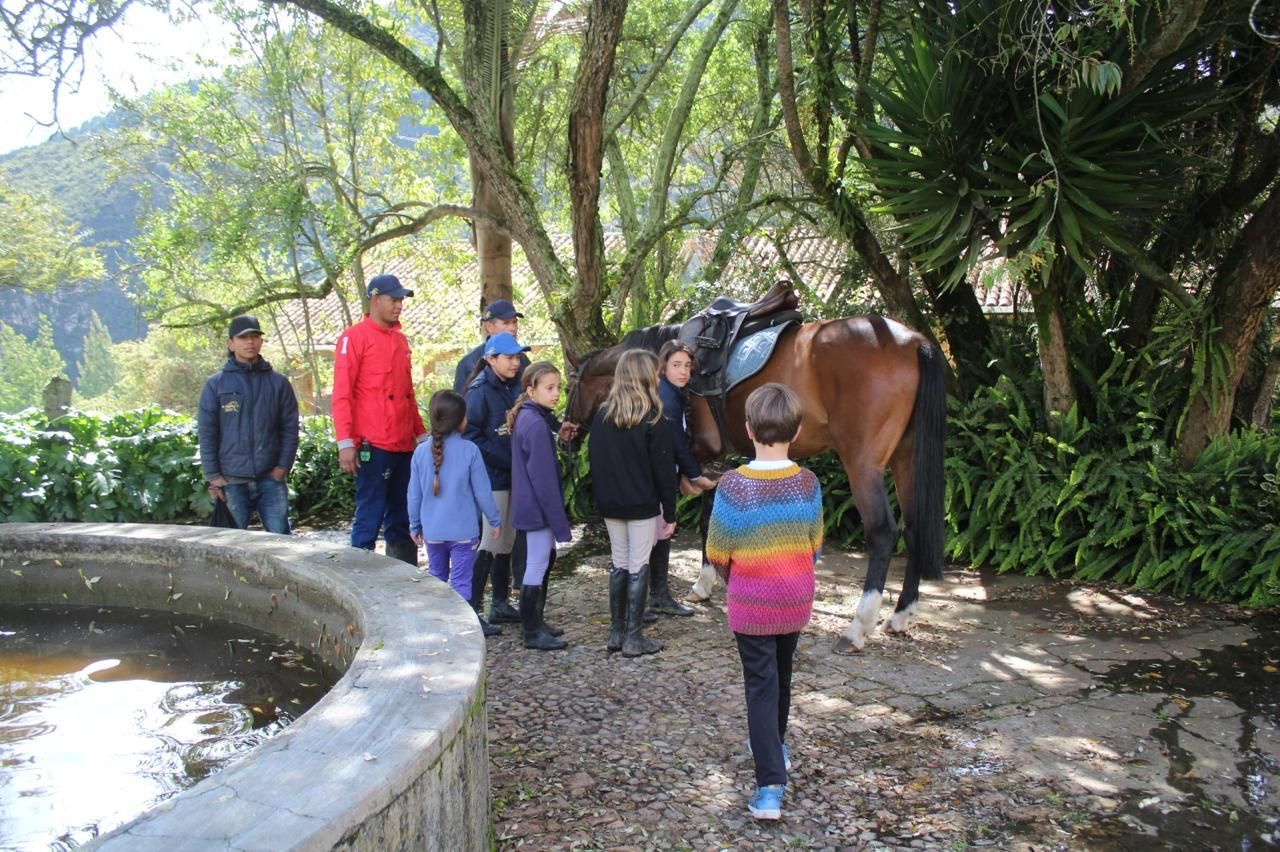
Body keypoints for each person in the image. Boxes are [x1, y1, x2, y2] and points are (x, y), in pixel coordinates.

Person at [704, 383, 823, 822]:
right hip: (795, 598)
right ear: (797, 431)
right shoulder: (808, 483)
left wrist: (737, 579)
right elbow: (814, 543)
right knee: (782, 675)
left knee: (760, 684)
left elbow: (717, 550)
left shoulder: (734, 486)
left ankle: (770, 786)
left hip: (751, 602)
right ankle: (776, 745)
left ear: (749, 429)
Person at [332, 274, 426, 565]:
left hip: (403, 443)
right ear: (375, 299)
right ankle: (359, 575)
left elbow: (408, 393)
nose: (399, 306)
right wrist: (345, 442)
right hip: (372, 444)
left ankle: (403, 576)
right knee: (369, 514)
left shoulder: (400, 340)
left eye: (401, 300)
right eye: (393, 299)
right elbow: (342, 393)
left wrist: (421, 435)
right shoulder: (354, 337)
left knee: (404, 516)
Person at [588, 349, 676, 657]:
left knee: (619, 563)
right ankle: (634, 637)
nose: (659, 379)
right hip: (641, 504)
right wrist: (670, 511)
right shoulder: (653, 418)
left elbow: (595, 462)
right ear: (645, 377)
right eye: (656, 374)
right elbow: (664, 471)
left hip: (611, 503)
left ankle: (616, 632)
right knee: (638, 564)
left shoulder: (602, 416)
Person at [198, 315, 300, 535]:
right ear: (231, 343)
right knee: (230, 544)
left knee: (281, 543)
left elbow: (290, 429)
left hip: (270, 478)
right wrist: (214, 476)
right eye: (243, 337)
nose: (250, 342)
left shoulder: (278, 383)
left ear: (261, 341)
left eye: (255, 336)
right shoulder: (216, 384)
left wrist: (282, 468)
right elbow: (207, 432)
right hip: (231, 480)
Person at [408, 390, 502, 610]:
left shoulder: (420, 453)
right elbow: (482, 492)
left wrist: (414, 526)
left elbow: (414, 495)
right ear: (460, 420)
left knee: (436, 578)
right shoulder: (470, 450)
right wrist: (495, 520)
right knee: (461, 583)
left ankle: (439, 621)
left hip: (433, 532)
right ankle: (462, 624)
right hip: (464, 533)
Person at [463, 331, 528, 636]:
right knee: (490, 541)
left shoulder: (513, 385)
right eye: (509, 357)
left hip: (513, 475)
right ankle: (472, 608)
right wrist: (507, 460)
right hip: (492, 479)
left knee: (507, 541)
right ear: (491, 359)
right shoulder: (478, 392)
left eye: (517, 357)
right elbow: (471, 437)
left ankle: (500, 604)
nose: (516, 362)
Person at [508, 360, 573, 651]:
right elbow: (544, 480)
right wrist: (558, 522)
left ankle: (536, 624)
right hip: (537, 509)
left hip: (531, 505)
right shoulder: (534, 424)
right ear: (531, 390)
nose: (556, 393)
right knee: (535, 566)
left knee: (541, 562)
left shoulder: (531, 417)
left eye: (558, 387)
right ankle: (531, 631)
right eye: (549, 388)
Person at [651, 340, 716, 614]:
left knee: (659, 534)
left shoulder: (670, 392)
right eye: (676, 365)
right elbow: (676, 441)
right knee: (661, 533)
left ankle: (655, 595)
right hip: (656, 478)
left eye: (687, 366)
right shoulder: (667, 396)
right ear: (663, 366)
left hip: (660, 473)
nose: (683, 372)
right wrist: (694, 475)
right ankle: (658, 597)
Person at [453, 299, 531, 393]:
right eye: (506, 323)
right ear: (490, 327)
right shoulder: (468, 364)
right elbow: (461, 401)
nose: (513, 328)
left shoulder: (522, 360)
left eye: (514, 322)